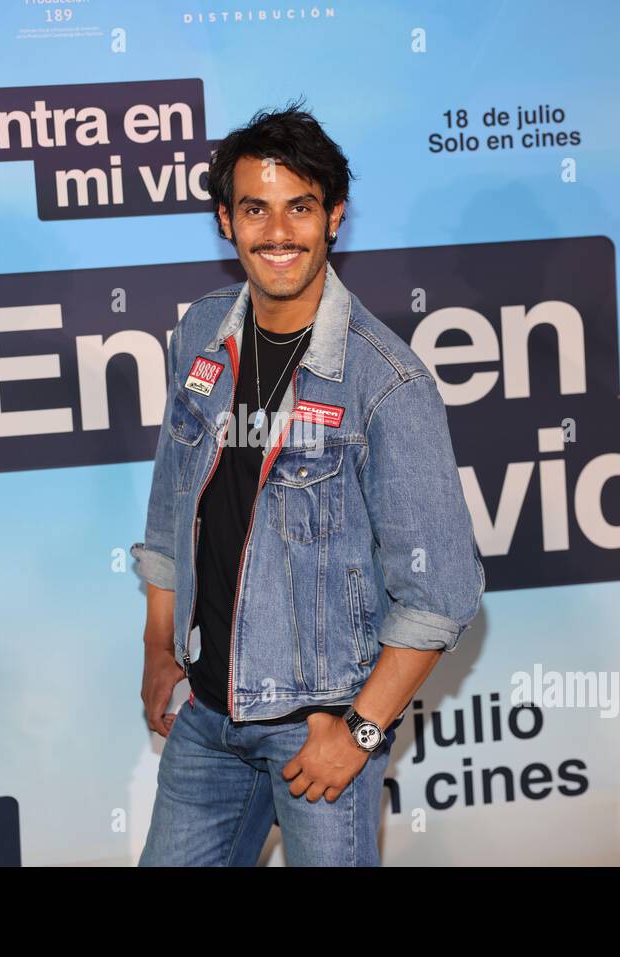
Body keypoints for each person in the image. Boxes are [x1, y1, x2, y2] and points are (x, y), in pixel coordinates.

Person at [131, 98, 485, 866]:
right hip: (206, 715)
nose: (279, 233)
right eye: (256, 209)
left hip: (317, 730)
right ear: (227, 221)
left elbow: (444, 591)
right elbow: (170, 504)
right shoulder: (201, 333)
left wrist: (358, 731)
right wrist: (160, 644)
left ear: (335, 217)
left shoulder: (386, 382)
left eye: (301, 207)